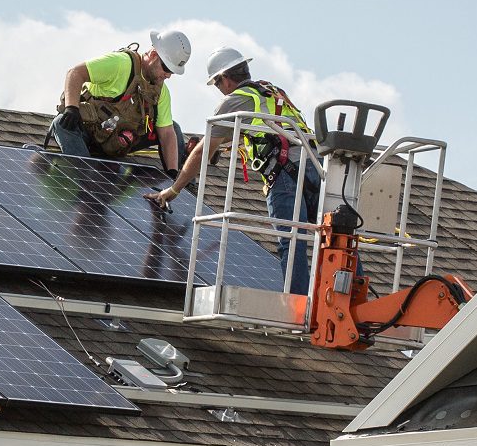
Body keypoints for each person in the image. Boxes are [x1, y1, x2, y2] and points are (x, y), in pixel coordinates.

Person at [147, 46, 323, 293]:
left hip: (285, 175)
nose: (219, 90)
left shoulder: (234, 101)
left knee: (291, 243)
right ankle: (352, 298)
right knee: (335, 238)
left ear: (225, 79)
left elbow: (202, 151)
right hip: (316, 169)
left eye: (217, 84)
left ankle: (298, 304)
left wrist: (174, 190)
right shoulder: (270, 91)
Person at [50, 30, 191, 176]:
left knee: (173, 127)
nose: (168, 75)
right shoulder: (120, 64)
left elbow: (167, 133)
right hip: (89, 134)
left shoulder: (160, 92)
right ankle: (85, 175)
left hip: (118, 141)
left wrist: (172, 174)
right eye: (167, 68)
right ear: (154, 55)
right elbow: (75, 73)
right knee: (62, 123)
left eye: (172, 72)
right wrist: (71, 108)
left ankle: (181, 176)